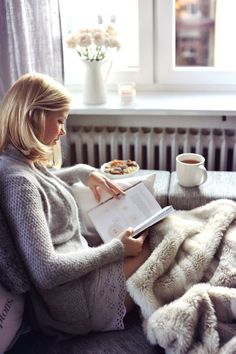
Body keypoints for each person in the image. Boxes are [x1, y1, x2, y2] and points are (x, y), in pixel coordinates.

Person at [0, 73, 151, 337]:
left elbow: (40, 183)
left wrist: (82, 171)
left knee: (160, 235)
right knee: (158, 242)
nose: (63, 131)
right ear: (33, 116)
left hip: (78, 282)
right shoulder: (17, 183)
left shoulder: (17, 162)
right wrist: (116, 249)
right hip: (74, 307)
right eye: (59, 120)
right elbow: (46, 272)